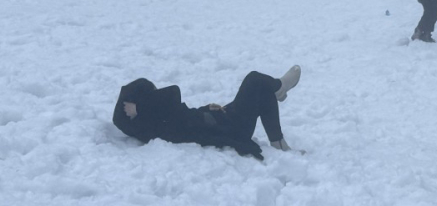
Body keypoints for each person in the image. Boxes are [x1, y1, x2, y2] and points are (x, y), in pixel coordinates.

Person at [113, 66, 302, 160]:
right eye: (151, 93)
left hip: (225, 118)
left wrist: (206, 109)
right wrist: (140, 108)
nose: (156, 93)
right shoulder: (154, 125)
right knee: (254, 80)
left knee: (261, 90)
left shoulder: (159, 117)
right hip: (231, 128)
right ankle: (280, 86)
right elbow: (173, 92)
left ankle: (279, 144)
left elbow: (183, 116)